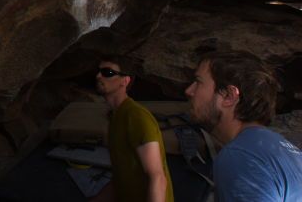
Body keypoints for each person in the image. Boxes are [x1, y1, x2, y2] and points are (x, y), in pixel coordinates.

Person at [185, 51, 302, 201]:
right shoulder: (283, 150)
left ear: (229, 96)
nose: (189, 91)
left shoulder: (241, 155)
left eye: (198, 82)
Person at [92, 58, 174, 202]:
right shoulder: (115, 116)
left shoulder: (136, 117)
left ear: (125, 81)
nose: (98, 76)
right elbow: (120, 179)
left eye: (107, 72)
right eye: (98, 72)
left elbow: (157, 178)